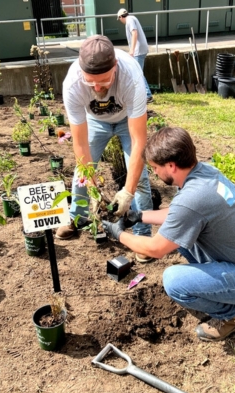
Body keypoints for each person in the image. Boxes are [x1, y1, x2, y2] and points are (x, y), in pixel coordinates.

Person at [102, 127, 235, 341]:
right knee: (176, 233)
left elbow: (156, 249)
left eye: (155, 168)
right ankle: (222, 289)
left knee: (174, 280)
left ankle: (232, 317)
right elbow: (181, 216)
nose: (155, 174)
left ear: (171, 165)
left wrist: (119, 234)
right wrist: (139, 216)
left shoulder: (193, 198)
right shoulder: (205, 174)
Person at [56, 35, 154, 263]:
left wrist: (127, 192)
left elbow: (139, 141)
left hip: (127, 120)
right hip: (95, 122)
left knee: (140, 178)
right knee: (82, 172)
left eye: (104, 81)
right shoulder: (72, 84)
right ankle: (77, 217)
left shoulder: (131, 78)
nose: (97, 87)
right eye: (90, 82)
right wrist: (92, 187)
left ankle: (143, 237)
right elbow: (79, 144)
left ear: (115, 68)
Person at [117, 8, 153, 103]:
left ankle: (148, 95)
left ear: (121, 17)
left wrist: (132, 50)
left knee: (138, 73)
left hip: (138, 50)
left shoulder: (130, 20)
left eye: (119, 19)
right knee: (138, 72)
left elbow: (134, 33)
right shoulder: (132, 18)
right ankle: (144, 94)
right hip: (140, 49)